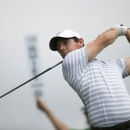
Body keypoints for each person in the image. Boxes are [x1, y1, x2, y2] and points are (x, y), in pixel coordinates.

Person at [49, 24, 130, 130]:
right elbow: (106, 38)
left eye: (65, 43)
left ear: (81, 42)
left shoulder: (113, 64)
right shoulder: (69, 63)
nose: (62, 48)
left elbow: (105, 38)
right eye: (58, 47)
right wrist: (122, 29)